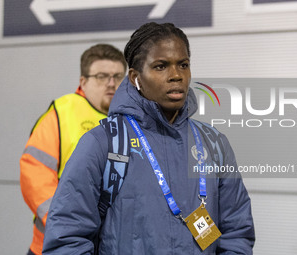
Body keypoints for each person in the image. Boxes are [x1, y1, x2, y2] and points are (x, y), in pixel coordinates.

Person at [43, 23, 255, 254]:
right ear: (136, 78)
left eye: (183, 65)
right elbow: (67, 239)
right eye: (161, 66)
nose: (176, 76)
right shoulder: (103, 143)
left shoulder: (213, 143)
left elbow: (236, 232)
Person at [20, 44, 127, 255]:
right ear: (83, 81)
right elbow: (34, 172)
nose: (111, 83)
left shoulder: (131, 121)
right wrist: (64, 224)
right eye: (102, 76)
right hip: (56, 246)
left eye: (117, 76)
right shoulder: (62, 114)